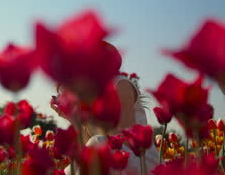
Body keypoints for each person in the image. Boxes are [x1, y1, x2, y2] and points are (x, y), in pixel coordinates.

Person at [50, 42, 159, 175]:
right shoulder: (88, 97)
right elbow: (88, 146)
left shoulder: (120, 84)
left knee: (97, 143)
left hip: (140, 161)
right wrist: (74, 120)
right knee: (93, 147)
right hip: (109, 161)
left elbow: (121, 141)